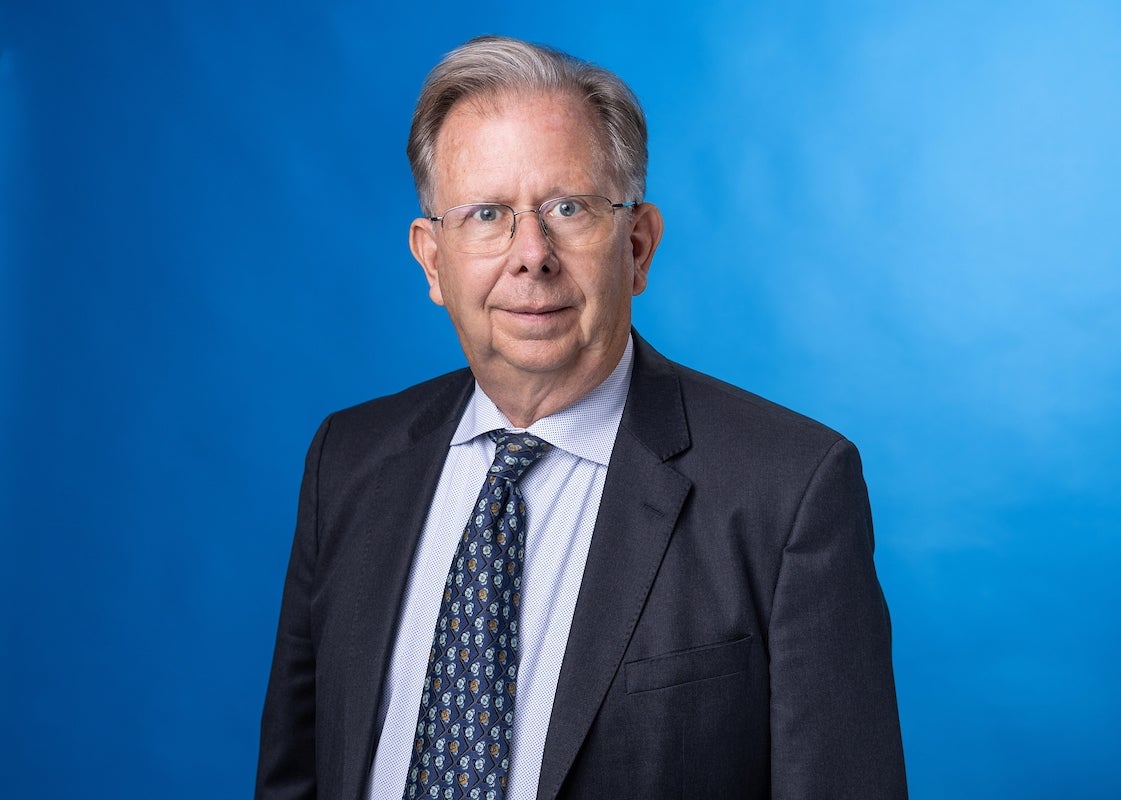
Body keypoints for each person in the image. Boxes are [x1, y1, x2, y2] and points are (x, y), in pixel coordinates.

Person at [256, 35, 906, 800]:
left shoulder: (788, 490)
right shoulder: (349, 460)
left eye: (568, 207)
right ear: (433, 261)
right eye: (488, 214)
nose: (530, 253)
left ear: (637, 246)